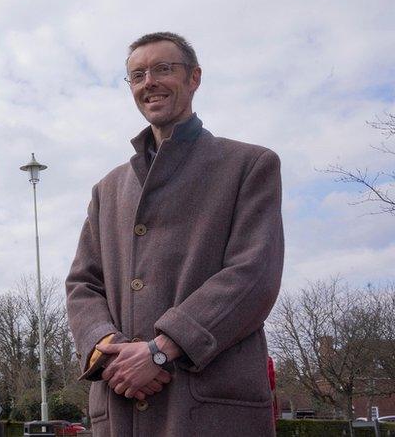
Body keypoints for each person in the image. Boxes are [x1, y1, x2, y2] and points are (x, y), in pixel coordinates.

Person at [65, 32, 283, 436]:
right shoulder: (107, 189)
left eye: (163, 69)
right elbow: (83, 284)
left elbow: (254, 275)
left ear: (194, 78)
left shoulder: (250, 165)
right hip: (120, 409)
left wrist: (162, 351)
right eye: (137, 75)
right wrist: (109, 350)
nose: (150, 81)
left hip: (208, 410)